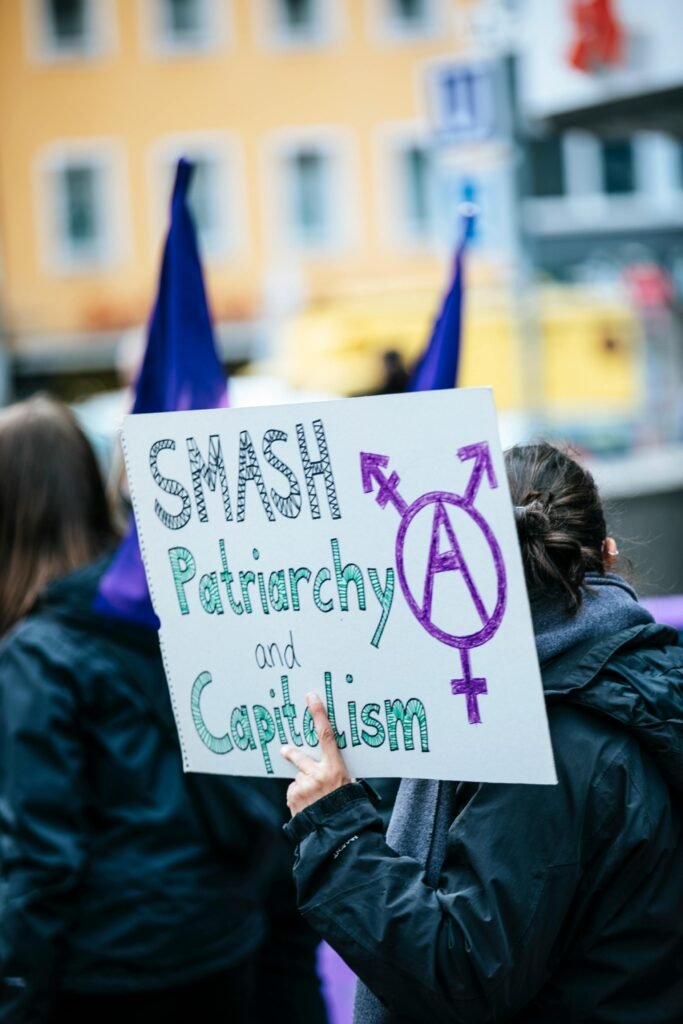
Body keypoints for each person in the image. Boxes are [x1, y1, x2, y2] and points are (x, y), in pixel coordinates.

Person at [281, 442, 683, 1023]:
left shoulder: (549, 742)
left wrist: (337, 834)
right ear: (609, 555)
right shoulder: (642, 678)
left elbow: (461, 972)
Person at [0, 396, 325, 1024]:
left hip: (111, 964)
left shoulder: (37, 654)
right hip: (223, 937)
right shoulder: (178, 609)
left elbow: (38, 863)